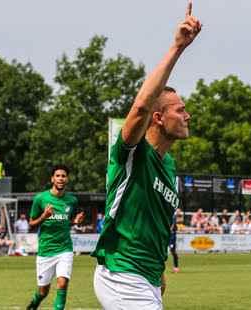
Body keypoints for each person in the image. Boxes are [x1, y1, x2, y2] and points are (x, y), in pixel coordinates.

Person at [91, 3, 201, 309]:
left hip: (147, 278)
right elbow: (139, 107)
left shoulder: (168, 165)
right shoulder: (132, 152)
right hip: (122, 275)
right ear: (158, 118)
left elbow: (156, 224)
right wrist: (178, 47)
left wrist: (160, 268)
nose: (187, 115)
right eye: (180, 110)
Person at [25, 165, 84, 310]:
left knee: (62, 283)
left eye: (63, 176)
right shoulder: (41, 199)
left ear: (67, 179)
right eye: (58, 176)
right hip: (46, 250)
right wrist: (44, 216)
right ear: (52, 179)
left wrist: (75, 221)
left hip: (65, 249)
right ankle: (33, 305)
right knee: (43, 291)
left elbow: (67, 221)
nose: (61, 179)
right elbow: (31, 224)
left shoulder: (72, 200)